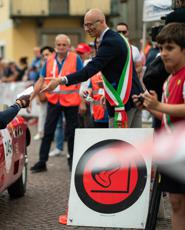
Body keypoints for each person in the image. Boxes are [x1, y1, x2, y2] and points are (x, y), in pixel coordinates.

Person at [41, 9, 143, 128]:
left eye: (89, 25)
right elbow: (120, 70)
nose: (86, 29)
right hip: (133, 97)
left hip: (123, 102)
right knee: (134, 143)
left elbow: (88, 71)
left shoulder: (109, 42)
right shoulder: (117, 38)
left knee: (118, 144)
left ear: (101, 22)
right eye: (85, 25)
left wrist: (60, 80)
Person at [133, 23, 185, 230]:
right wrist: (149, 106)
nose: (163, 53)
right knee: (175, 203)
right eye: (161, 48)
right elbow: (166, 116)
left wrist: (158, 105)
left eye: (170, 48)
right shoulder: (168, 80)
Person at [30, 34, 85, 172]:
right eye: (59, 45)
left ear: (68, 46)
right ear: (55, 46)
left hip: (71, 101)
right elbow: (41, 80)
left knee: (72, 133)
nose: (61, 47)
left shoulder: (75, 58)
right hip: (54, 101)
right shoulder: (49, 60)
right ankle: (42, 162)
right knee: (48, 131)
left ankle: (72, 161)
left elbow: (82, 79)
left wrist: (82, 101)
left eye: (64, 45)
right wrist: (31, 97)